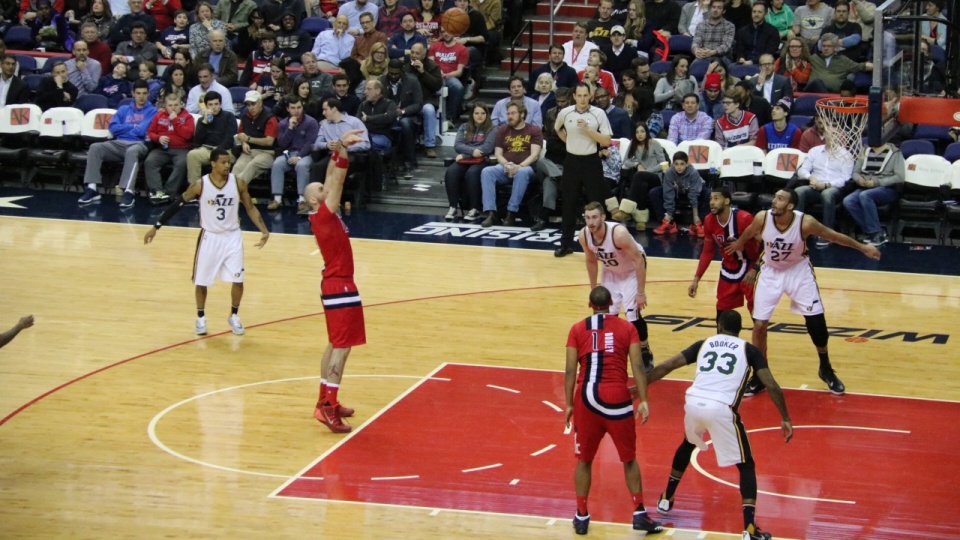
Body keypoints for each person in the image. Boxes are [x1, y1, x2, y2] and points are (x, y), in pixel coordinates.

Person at [646, 310, 792, 540]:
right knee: (745, 464)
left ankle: (667, 497)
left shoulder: (704, 344)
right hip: (721, 408)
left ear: (719, 326)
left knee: (687, 443)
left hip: (693, 403)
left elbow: (668, 365)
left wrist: (641, 386)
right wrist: (785, 417)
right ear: (739, 329)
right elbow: (771, 385)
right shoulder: (749, 350)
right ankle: (750, 528)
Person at [725, 189, 881, 397]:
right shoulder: (763, 218)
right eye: (775, 196)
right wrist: (739, 244)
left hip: (798, 271)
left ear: (790, 206)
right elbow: (749, 232)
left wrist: (862, 247)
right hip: (771, 272)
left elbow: (834, 237)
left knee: (815, 321)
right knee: (759, 324)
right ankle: (760, 376)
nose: (774, 201)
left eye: (780, 199)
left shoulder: (805, 223)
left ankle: (825, 368)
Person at [564, 284, 663, 536]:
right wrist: (643, 398)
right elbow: (638, 366)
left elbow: (570, 371)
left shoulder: (577, 329)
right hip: (617, 396)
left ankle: (582, 515)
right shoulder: (627, 327)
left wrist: (568, 404)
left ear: (590, 304)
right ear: (611, 305)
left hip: (587, 396)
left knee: (584, 460)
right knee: (628, 459)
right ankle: (639, 512)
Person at [143, 148, 270, 336]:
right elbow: (178, 204)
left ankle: (234, 315)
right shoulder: (199, 185)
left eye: (229, 162)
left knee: (238, 279)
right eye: (223, 162)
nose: (227, 166)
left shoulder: (238, 183)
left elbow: (250, 207)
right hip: (210, 237)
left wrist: (264, 230)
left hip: (233, 236)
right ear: (213, 164)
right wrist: (156, 226)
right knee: (201, 281)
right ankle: (201, 318)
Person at [304, 128, 368, 434]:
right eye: (320, 188)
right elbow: (337, 179)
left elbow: (330, 176)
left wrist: (335, 151)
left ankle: (322, 401)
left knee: (334, 343)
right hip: (340, 285)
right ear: (316, 199)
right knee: (343, 347)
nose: (325, 187)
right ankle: (329, 406)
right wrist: (343, 150)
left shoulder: (320, 212)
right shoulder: (326, 213)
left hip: (335, 284)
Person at [580, 201, 656, 369]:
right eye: (587, 218)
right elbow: (591, 260)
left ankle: (644, 351)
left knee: (633, 317)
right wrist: (594, 290)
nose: (591, 222)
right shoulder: (584, 235)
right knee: (607, 317)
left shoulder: (618, 233)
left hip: (631, 272)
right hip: (611, 272)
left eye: (594, 217)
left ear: (603, 217)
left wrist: (641, 292)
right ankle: (611, 352)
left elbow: (639, 260)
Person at [554, 83, 618, 257]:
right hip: (572, 161)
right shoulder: (565, 113)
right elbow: (557, 128)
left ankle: (600, 246)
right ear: (574, 96)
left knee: (595, 204)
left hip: (591, 162)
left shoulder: (599, 114)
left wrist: (588, 130)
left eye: (585, 96)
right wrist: (568, 141)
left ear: (590, 96)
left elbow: (606, 141)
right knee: (568, 203)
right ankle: (566, 244)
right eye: (579, 95)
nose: (582, 99)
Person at [78, 80, 158, 208]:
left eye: (144, 93)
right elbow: (113, 128)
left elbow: (141, 131)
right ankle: (92, 189)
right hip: (118, 143)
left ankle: (128, 191)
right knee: (95, 147)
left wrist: (126, 127)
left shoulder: (153, 111)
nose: (141, 96)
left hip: (138, 144)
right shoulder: (123, 109)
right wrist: (133, 126)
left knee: (132, 152)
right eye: (138, 93)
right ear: (133, 93)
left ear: (148, 94)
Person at [689, 187, 760, 318]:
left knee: (757, 314)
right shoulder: (709, 220)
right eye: (710, 199)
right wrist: (696, 279)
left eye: (716, 198)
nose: (711, 202)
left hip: (750, 266)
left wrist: (755, 269)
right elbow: (707, 252)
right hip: (729, 267)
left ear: (726, 201)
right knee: (722, 312)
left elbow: (765, 245)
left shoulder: (744, 218)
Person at [479, 101, 542, 227]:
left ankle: (511, 212)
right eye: (508, 113)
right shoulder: (502, 130)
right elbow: (498, 154)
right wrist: (507, 165)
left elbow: (534, 155)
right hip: (506, 167)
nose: (510, 116)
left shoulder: (534, 130)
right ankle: (491, 213)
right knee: (487, 172)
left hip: (527, 168)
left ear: (522, 114)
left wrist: (519, 166)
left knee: (522, 173)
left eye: (513, 113)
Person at [842, 142, 904, 246]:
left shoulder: (895, 152)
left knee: (865, 195)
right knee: (848, 201)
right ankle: (875, 232)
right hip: (865, 187)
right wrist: (858, 179)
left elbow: (900, 177)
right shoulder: (864, 150)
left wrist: (877, 182)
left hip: (887, 188)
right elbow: (855, 172)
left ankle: (876, 234)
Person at [794, 141, 855, 246]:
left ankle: (827, 234)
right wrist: (810, 178)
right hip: (815, 186)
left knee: (827, 194)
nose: (831, 135)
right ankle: (796, 230)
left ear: (840, 136)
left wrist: (827, 185)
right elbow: (802, 170)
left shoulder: (846, 155)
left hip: (835, 188)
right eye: (828, 132)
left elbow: (845, 178)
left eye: (834, 133)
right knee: (799, 191)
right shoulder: (814, 151)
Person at [268, 95, 320, 214]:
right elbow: (282, 143)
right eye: (293, 108)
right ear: (288, 109)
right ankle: (277, 199)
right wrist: (290, 128)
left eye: (299, 107)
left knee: (301, 165)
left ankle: (302, 200)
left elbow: (310, 143)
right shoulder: (282, 124)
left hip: (306, 154)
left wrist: (299, 156)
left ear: (303, 107)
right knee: (277, 164)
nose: (296, 110)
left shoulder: (311, 122)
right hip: (288, 154)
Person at [444, 100, 495, 222]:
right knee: (451, 172)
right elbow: (458, 145)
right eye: (476, 113)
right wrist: (472, 152)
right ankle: (453, 207)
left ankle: (475, 209)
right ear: (472, 114)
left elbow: (487, 148)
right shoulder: (464, 127)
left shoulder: (493, 129)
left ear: (487, 115)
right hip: (467, 159)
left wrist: (465, 154)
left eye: (483, 113)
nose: (479, 116)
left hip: (483, 160)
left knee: (472, 173)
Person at [613, 123, 669, 231]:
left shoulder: (654, 143)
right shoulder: (633, 144)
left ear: (647, 132)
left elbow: (664, 163)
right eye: (637, 132)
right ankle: (641, 221)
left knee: (639, 175)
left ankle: (626, 210)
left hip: (655, 177)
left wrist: (647, 171)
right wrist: (637, 164)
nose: (640, 134)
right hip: (640, 179)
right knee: (642, 185)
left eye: (642, 131)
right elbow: (626, 162)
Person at [143, 92, 195, 203]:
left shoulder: (187, 117)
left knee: (182, 163)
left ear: (181, 104)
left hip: (182, 149)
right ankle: (158, 192)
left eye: (176, 105)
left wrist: (175, 120)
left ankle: (168, 193)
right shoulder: (159, 116)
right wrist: (158, 138)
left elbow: (188, 135)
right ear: (165, 106)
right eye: (170, 105)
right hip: (162, 149)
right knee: (150, 161)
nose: (173, 108)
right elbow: (150, 132)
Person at [650, 150, 710, 236]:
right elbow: (668, 193)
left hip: (695, 191)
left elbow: (694, 194)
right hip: (677, 192)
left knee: (709, 193)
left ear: (687, 164)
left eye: (682, 164)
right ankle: (668, 223)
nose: (679, 167)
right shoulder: (669, 172)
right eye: (676, 164)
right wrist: (669, 214)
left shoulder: (693, 172)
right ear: (673, 164)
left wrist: (695, 216)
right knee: (654, 192)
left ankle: (698, 224)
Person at [380, 58, 423, 176]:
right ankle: (386, 161)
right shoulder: (381, 81)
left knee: (405, 124)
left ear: (402, 71)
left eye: (396, 73)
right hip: (387, 115)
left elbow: (418, 104)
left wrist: (403, 111)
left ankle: (410, 160)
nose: (393, 76)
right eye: (391, 73)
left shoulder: (412, 81)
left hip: (408, 116)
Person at [187, 90, 237, 185]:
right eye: (210, 104)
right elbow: (197, 142)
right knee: (192, 155)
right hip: (207, 149)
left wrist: (217, 151)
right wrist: (205, 122)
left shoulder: (229, 116)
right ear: (206, 106)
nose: (214, 107)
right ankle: (195, 190)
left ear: (220, 104)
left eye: (216, 104)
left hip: (225, 150)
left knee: (220, 158)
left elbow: (230, 139)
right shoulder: (202, 120)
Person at [233, 90, 279, 184]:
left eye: (253, 104)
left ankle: (235, 190)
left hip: (268, 153)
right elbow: (241, 135)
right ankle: (232, 192)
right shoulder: (245, 117)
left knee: (252, 165)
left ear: (260, 102)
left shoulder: (270, 118)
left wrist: (248, 139)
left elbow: (269, 141)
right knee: (238, 167)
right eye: (248, 105)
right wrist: (244, 143)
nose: (250, 108)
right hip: (250, 151)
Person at [804, 33, 871, 93]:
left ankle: (827, 100)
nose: (826, 48)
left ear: (835, 48)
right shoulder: (814, 58)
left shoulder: (843, 60)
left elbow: (862, 66)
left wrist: (878, 65)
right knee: (817, 82)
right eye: (824, 46)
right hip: (811, 92)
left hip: (832, 93)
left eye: (829, 46)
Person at [429, 28, 469, 124]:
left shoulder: (462, 49)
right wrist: (438, 72)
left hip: (450, 76)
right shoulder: (435, 46)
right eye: (443, 32)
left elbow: (459, 72)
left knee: (458, 87)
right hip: (435, 75)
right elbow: (430, 63)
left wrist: (446, 75)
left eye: (448, 31)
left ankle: (449, 117)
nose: (446, 34)